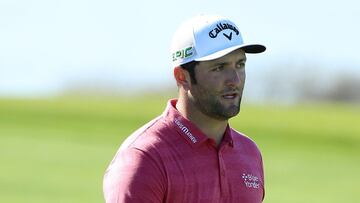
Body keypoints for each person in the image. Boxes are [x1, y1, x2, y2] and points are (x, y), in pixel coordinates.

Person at [103, 14, 266, 203]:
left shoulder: (249, 152)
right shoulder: (144, 157)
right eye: (219, 68)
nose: (235, 80)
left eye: (240, 65)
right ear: (182, 76)